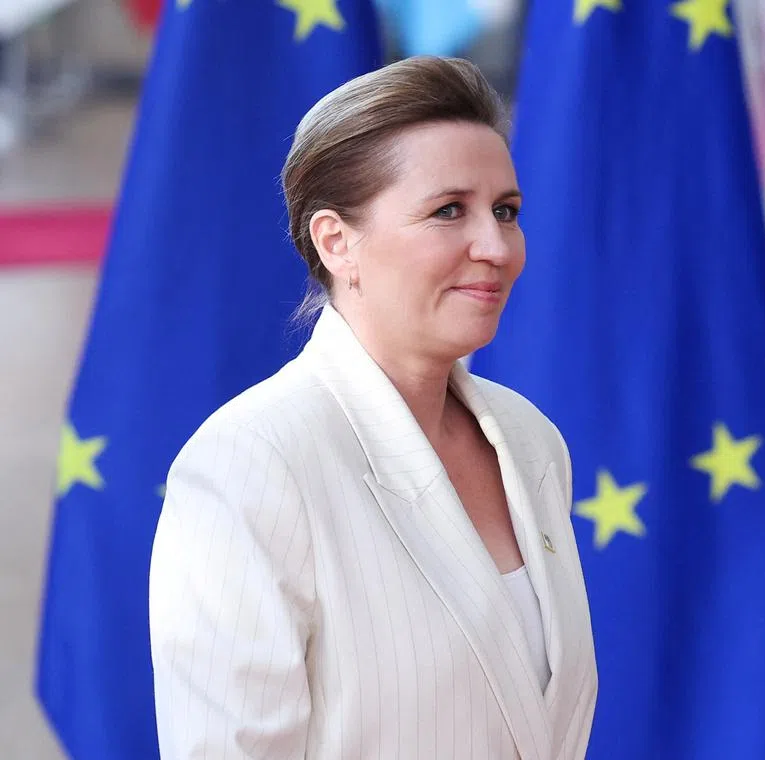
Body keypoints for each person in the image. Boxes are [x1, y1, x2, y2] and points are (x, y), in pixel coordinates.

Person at [148, 56, 598, 760]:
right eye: (450, 210)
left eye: (505, 211)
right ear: (337, 243)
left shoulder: (529, 441)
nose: (496, 246)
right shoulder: (250, 464)